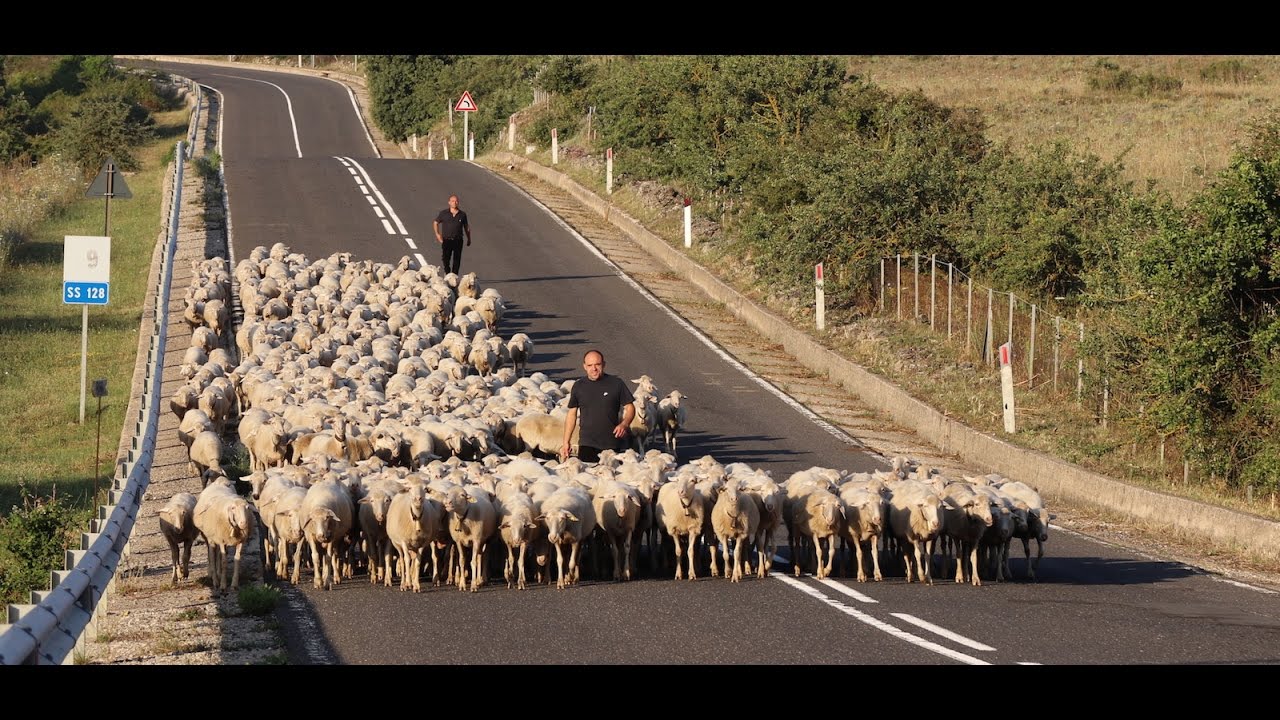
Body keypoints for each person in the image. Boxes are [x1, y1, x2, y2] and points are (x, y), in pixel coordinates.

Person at [561, 349, 635, 464]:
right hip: (587, 443)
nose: (594, 368)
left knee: (611, 478)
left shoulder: (616, 384)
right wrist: (566, 442)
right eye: (590, 365)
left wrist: (624, 424)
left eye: (597, 364)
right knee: (588, 479)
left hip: (611, 442)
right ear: (584, 366)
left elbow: (630, 407)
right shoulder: (579, 386)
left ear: (603, 365)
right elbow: (572, 414)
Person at [433, 194, 471, 275]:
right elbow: (436, 223)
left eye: (456, 201)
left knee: (457, 260)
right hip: (446, 240)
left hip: (458, 240)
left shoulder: (462, 214)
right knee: (445, 259)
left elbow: (466, 227)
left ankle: (454, 276)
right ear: (449, 202)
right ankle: (447, 272)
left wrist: (469, 239)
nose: (455, 202)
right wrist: (437, 234)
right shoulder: (444, 213)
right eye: (453, 201)